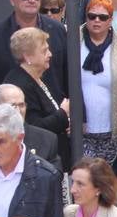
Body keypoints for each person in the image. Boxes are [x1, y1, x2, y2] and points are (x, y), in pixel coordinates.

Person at [0, 0, 69, 119]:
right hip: (10, 121)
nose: (32, 0)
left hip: (55, 119)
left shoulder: (57, 30)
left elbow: (69, 76)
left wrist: (73, 117)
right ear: (13, 0)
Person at [79, 0, 117, 176]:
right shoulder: (72, 43)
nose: (96, 20)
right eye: (91, 16)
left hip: (113, 130)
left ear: (111, 20)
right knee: (86, 178)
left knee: (105, 181)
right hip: (81, 129)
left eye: (102, 17)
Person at [4, 27, 70, 164]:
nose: (50, 54)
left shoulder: (39, 77)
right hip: (38, 161)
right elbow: (34, 127)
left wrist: (66, 122)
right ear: (28, 57)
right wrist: (63, 114)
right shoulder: (20, 86)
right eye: (44, 51)